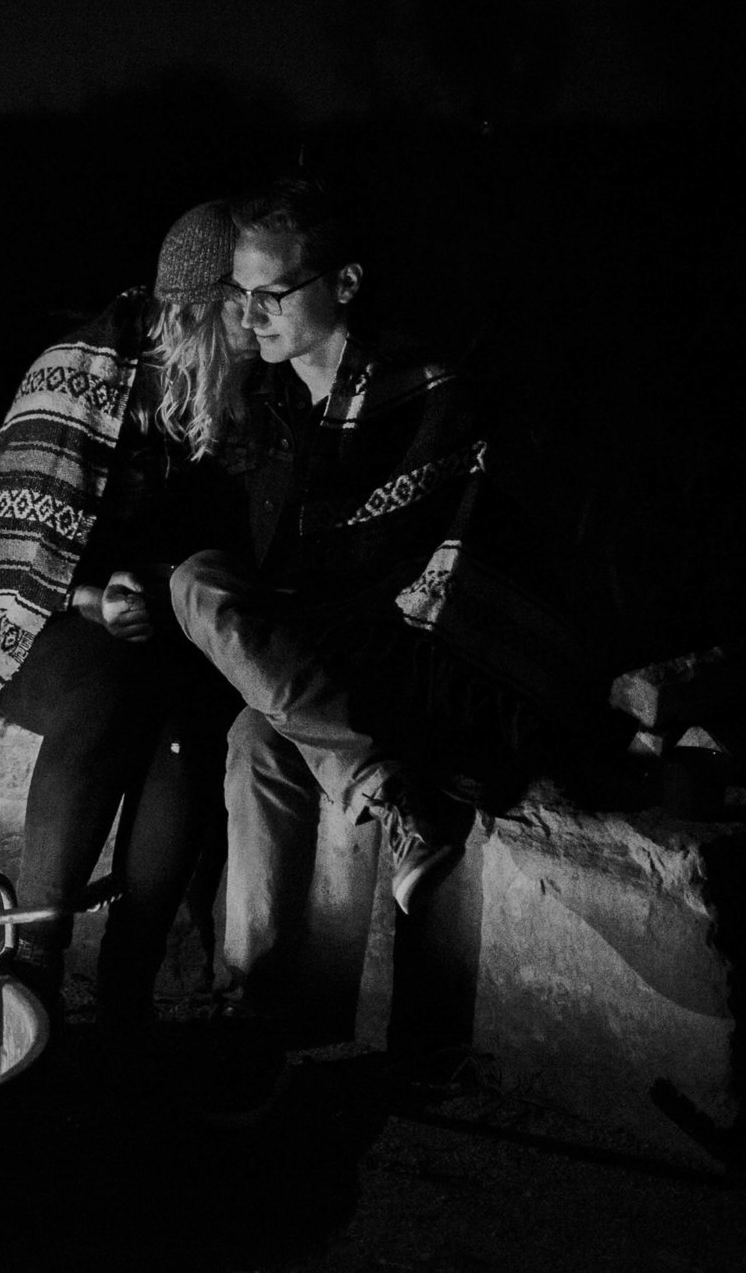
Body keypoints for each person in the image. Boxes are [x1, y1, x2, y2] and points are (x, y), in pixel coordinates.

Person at [169, 176, 597, 1023]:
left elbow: (446, 565)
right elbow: (280, 569)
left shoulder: (424, 393)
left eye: (274, 295)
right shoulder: (281, 405)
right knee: (233, 680)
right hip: (333, 661)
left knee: (248, 702)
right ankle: (257, 1003)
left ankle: (256, 995)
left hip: (420, 655)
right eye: (241, 297)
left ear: (347, 284)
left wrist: (309, 624)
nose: (252, 318)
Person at [0, 202, 257, 1022]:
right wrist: (92, 596)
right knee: (110, 686)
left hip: (162, 616)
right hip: (34, 617)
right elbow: (4, 545)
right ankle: (34, 962)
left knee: (186, 715)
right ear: (198, 309)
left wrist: (154, 589)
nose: (262, 311)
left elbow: (231, 544)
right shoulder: (80, 370)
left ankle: (127, 985)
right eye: (243, 298)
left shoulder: (250, 386)